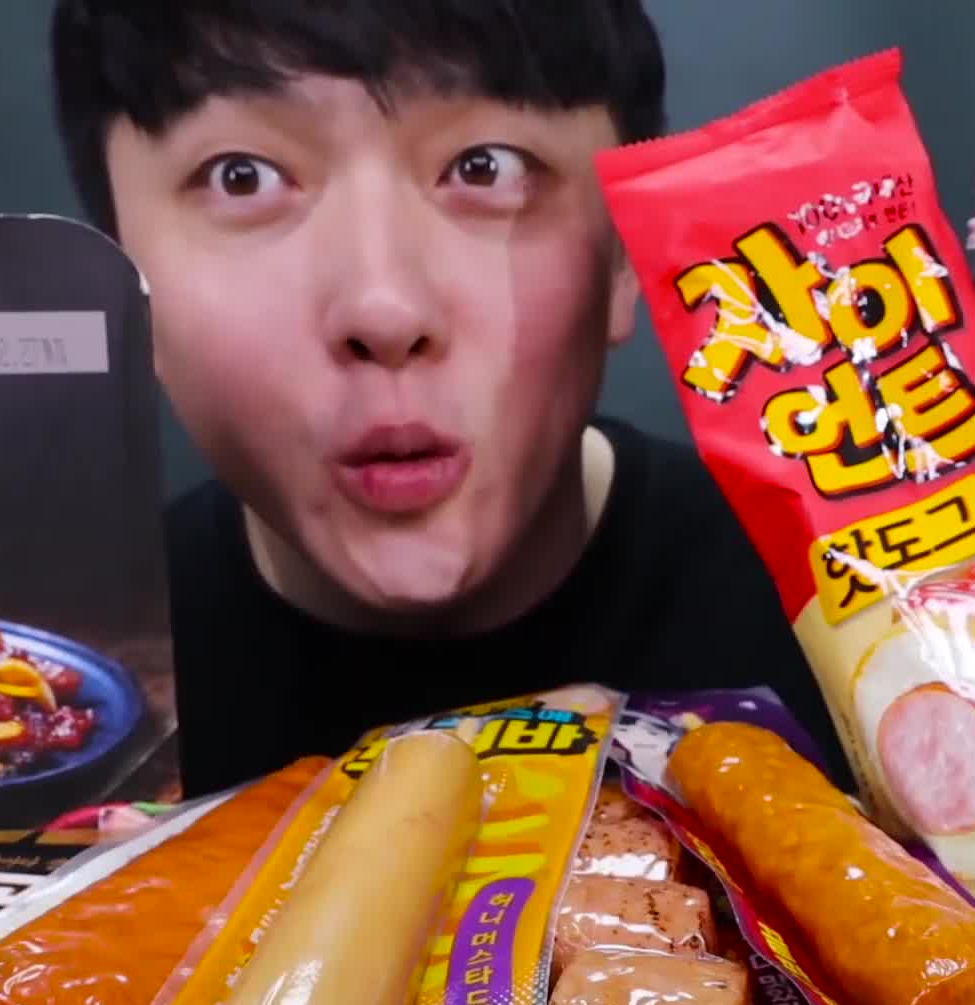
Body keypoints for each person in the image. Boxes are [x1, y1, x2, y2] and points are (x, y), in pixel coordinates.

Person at [48, 0, 843, 796]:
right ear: (118, 278)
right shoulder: (56, 700)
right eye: (242, 176)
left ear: (623, 253)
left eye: (485, 167)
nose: (385, 311)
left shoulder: (854, 621)